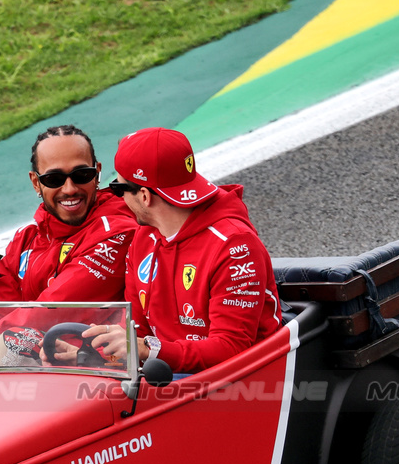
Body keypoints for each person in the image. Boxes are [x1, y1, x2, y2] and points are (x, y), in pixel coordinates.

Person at [0, 125, 138, 370]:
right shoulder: (25, 241)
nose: (70, 188)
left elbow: (50, 312)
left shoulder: (117, 231)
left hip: (98, 370)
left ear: (97, 174)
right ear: (35, 183)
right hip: (36, 376)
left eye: (81, 175)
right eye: (54, 179)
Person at [86, 127, 281, 373]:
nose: (118, 199)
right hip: (173, 378)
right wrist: (88, 358)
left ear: (144, 196)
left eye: (118, 188)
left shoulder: (235, 246)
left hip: (245, 384)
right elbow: (136, 334)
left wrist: (150, 350)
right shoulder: (143, 240)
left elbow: (231, 348)